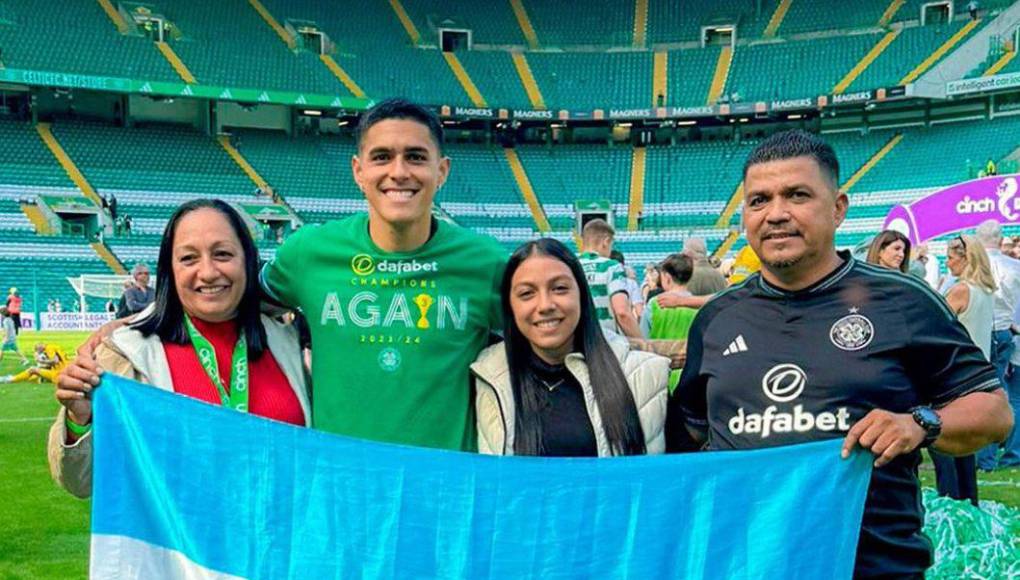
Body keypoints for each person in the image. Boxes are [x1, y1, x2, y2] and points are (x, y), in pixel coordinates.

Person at [667, 130, 1013, 578]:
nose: (776, 214)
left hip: (872, 566)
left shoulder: (904, 300)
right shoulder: (717, 319)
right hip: (748, 564)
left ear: (838, 209)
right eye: (759, 200)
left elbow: (995, 413)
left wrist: (919, 424)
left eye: (796, 195)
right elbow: (687, 439)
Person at [258, 98, 506, 451]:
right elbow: (238, 303)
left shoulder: (486, 263)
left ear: (442, 171)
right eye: (382, 157)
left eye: (416, 157)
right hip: (344, 486)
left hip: (444, 491)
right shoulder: (308, 253)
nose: (399, 171)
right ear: (358, 171)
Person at [49, 199, 310, 499]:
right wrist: (81, 421)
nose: (208, 272)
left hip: (282, 541)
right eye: (188, 258)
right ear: (170, 270)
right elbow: (79, 482)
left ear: (247, 261)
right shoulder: (125, 354)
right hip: (177, 546)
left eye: (223, 254)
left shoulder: (288, 342)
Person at [471, 238, 669, 456]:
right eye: (527, 293)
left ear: (582, 295)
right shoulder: (485, 376)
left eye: (560, 288)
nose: (545, 305)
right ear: (510, 305)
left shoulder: (644, 376)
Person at [926, 234, 996, 505]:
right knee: (965, 448)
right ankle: (969, 503)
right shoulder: (985, 289)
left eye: (951, 257)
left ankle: (950, 504)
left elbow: (933, 324)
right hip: (974, 375)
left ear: (965, 258)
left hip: (950, 375)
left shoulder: (961, 290)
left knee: (943, 444)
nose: (948, 262)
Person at [974, 219, 1020, 470]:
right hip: (1006, 332)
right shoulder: (1014, 266)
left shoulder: (976, 266)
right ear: (1001, 240)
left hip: (983, 331)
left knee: (985, 393)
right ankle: (1010, 453)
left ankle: (986, 457)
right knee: (1007, 394)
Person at [640, 253, 697, 392]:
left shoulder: (655, 304)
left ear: (666, 277)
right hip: (688, 375)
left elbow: (642, 340)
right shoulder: (696, 306)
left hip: (659, 373)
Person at [577, 219, 642, 338]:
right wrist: (643, 343)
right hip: (605, 341)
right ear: (606, 242)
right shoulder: (611, 267)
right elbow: (622, 313)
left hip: (575, 341)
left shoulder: (570, 265)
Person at [2, 342, 69, 384]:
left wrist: (41, 361)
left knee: (32, 370)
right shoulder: (54, 346)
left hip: (59, 374)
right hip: (65, 373)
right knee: (34, 376)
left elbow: (55, 361)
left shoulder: (48, 348)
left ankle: (10, 379)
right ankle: (41, 379)